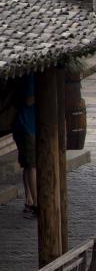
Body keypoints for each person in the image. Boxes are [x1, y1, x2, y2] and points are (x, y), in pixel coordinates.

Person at [14, 75, 37, 217]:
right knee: (32, 165)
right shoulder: (31, 78)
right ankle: (35, 202)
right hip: (26, 127)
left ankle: (29, 199)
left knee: (30, 165)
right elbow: (29, 100)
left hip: (30, 127)